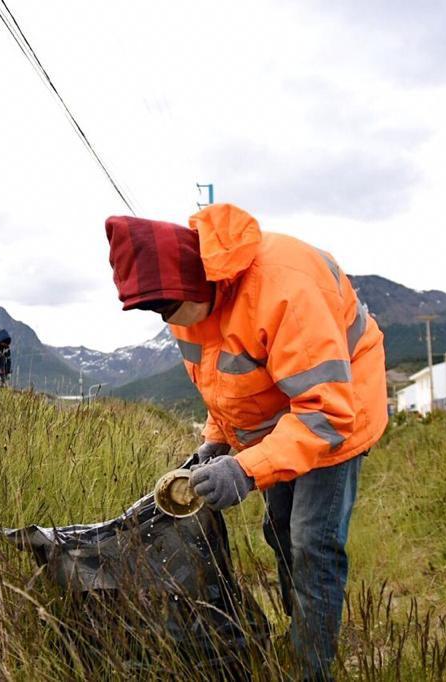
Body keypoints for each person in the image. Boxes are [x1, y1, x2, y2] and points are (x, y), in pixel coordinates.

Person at [105, 203, 388, 680]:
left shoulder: (285, 288)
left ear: (195, 282)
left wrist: (244, 469)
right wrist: (214, 445)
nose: (164, 320)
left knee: (311, 542)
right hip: (281, 422)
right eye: (155, 311)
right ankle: (301, 633)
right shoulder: (186, 310)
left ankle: (308, 667)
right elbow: (226, 385)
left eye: (164, 308)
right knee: (279, 529)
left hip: (337, 414)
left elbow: (325, 412)